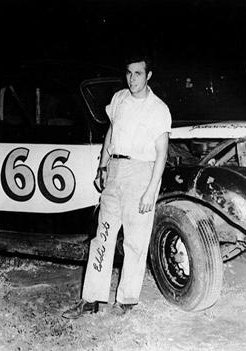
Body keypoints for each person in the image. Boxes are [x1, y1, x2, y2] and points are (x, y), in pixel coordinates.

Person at [62, 55, 171, 319]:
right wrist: (103, 165)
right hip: (115, 171)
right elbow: (110, 132)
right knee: (103, 236)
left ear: (149, 76)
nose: (132, 79)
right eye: (129, 73)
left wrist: (150, 191)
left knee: (135, 240)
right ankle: (91, 299)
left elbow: (162, 154)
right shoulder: (119, 99)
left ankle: (127, 300)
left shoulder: (158, 109)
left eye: (138, 74)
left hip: (142, 174)